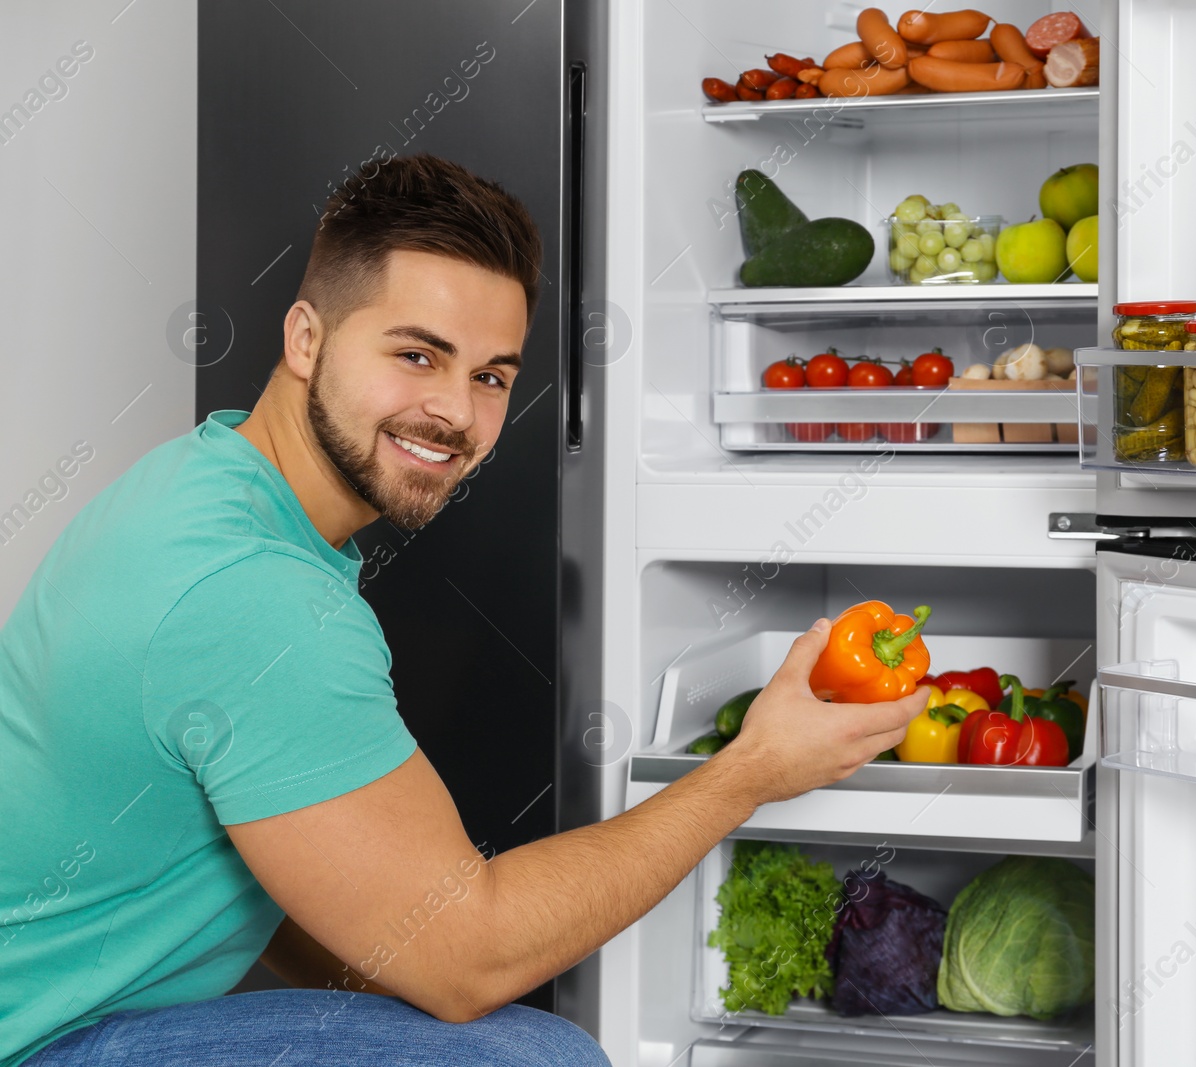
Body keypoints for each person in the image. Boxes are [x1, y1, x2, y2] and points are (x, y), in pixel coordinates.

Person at [0, 154, 927, 1066]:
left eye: (491, 375)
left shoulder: (204, 485)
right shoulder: (254, 595)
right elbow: (468, 955)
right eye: (416, 355)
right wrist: (750, 771)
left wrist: (420, 983)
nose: (455, 411)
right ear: (305, 339)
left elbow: (296, 877)